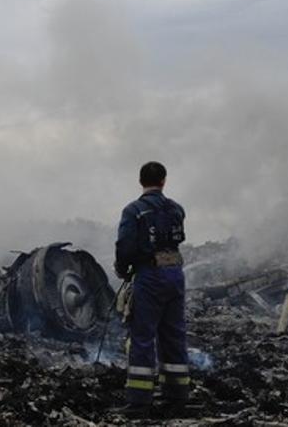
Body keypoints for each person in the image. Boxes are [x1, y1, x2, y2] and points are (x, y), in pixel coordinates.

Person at [114, 161, 189, 418]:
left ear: (140, 181)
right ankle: (177, 396)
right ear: (164, 181)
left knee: (143, 335)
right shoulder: (177, 209)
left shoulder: (134, 211)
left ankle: (139, 401)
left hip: (150, 276)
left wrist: (123, 269)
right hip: (175, 275)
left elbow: (125, 246)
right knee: (173, 333)